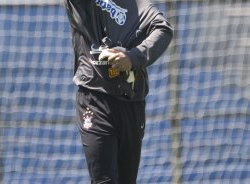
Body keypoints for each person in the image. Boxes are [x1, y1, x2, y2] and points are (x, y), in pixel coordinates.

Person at [64, 0, 173, 183]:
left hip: (131, 102)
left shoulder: (138, 5)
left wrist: (132, 58)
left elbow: (163, 29)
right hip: (94, 101)